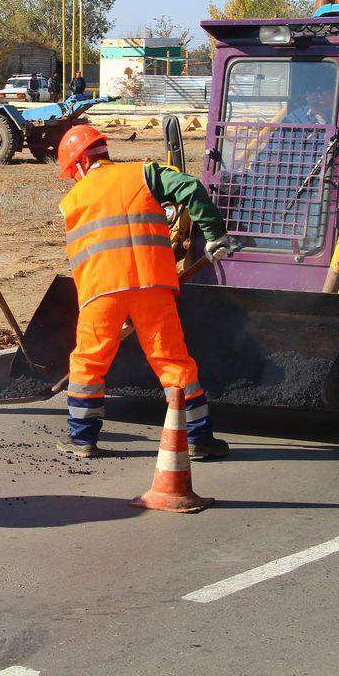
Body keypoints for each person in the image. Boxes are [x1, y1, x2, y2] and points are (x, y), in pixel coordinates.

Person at [54, 125, 233, 460]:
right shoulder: (144, 173)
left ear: (77, 164)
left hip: (100, 292)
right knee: (172, 361)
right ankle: (197, 439)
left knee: (89, 362)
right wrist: (214, 235)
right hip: (152, 285)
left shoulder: (72, 201)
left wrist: (106, 310)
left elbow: (81, 258)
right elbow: (190, 186)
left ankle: (82, 441)